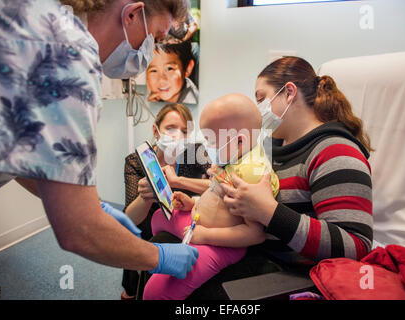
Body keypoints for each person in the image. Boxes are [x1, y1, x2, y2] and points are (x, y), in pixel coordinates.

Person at [0, 0, 199, 282]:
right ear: (132, 14)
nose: (150, 55)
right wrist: (157, 257)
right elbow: (80, 231)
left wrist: (87, 203)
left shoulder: (35, 15)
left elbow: (10, 145)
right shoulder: (71, 55)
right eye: (156, 39)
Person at [220, 56, 374, 266]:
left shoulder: (335, 152)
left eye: (261, 98)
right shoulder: (271, 148)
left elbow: (356, 247)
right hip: (255, 259)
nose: (257, 110)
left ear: (289, 92)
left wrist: (269, 212)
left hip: (288, 277)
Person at [142, 94, 279, 300]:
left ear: (239, 140)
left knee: (154, 292)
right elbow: (217, 195)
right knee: (159, 217)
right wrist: (193, 203)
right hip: (198, 223)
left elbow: (255, 234)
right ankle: (184, 237)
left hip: (219, 245)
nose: (207, 147)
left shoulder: (251, 175)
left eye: (211, 140)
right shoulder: (237, 155)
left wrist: (204, 236)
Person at [121, 103, 211, 299]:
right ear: (156, 130)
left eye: (184, 131)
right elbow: (130, 219)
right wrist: (144, 198)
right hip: (147, 229)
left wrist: (179, 181)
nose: (177, 136)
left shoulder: (194, 153)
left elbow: (219, 182)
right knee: (135, 278)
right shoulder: (136, 162)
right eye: (170, 128)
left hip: (182, 225)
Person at [146, 39, 199, 104]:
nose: (161, 80)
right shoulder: (156, 95)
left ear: (188, 69)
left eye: (169, 69)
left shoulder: (190, 101)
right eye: (153, 71)